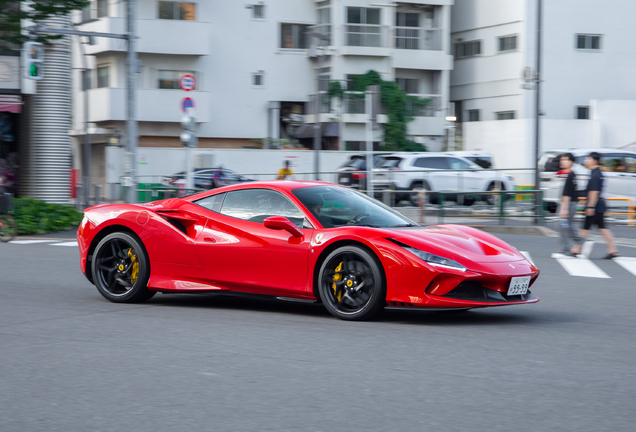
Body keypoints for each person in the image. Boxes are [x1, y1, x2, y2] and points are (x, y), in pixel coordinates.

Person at [571, 152, 619, 259]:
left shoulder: (595, 175)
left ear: (594, 161)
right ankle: (613, 250)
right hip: (599, 204)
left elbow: (594, 192)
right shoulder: (597, 173)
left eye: (588, 159)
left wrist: (590, 206)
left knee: (585, 228)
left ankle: (577, 249)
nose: (585, 161)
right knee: (602, 228)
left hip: (595, 206)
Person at [557, 153, 581, 255]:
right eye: (562, 159)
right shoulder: (570, 174)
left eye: (565, 159)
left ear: (572, 162)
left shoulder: (570, 175)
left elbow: (567, 194)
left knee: (563, 226)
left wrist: (564, 209)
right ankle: (581, 242)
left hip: (568, 205)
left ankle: (566, 248)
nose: (562, 161)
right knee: (566, 226)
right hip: (569, 204)